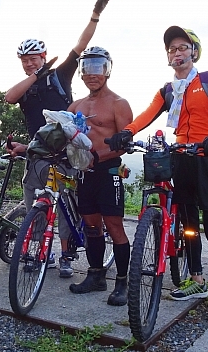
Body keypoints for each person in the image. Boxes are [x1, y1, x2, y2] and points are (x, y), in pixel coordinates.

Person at [107, 26, 208, 317]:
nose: (176, 53)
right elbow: (148, 113)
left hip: (207, 156)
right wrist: (126, 132)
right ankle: (197, 280)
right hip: (181, 158)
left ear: (194, 52)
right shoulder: (168, 90)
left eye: (182, 48)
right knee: (189, 227)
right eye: (172, 49)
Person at [6, 0, 114, 278]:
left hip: (65, 150)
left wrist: (95, 14)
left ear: (43, 56)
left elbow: (81, 43)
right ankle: (41, 252)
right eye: (25, 60)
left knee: (65, 204)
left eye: (34, 58)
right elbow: (9, 97)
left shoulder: (60, 75)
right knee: (35, 205)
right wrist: (34, 75)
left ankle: (66, 255)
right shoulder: (28, 85)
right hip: (38, 152)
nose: (30, 62)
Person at [65, 47, 133, 305]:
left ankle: (123, 284)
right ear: (81, 72)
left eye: (98, 67)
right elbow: (63, 135)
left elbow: (125, 142)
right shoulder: (76, 105)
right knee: (91, 226)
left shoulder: (119, 104)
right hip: (85, 173)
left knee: (114, 227)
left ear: (107, 70)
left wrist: (97, 156)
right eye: (87, 67)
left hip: (108, 171)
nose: (92, 74)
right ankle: (96, 276)